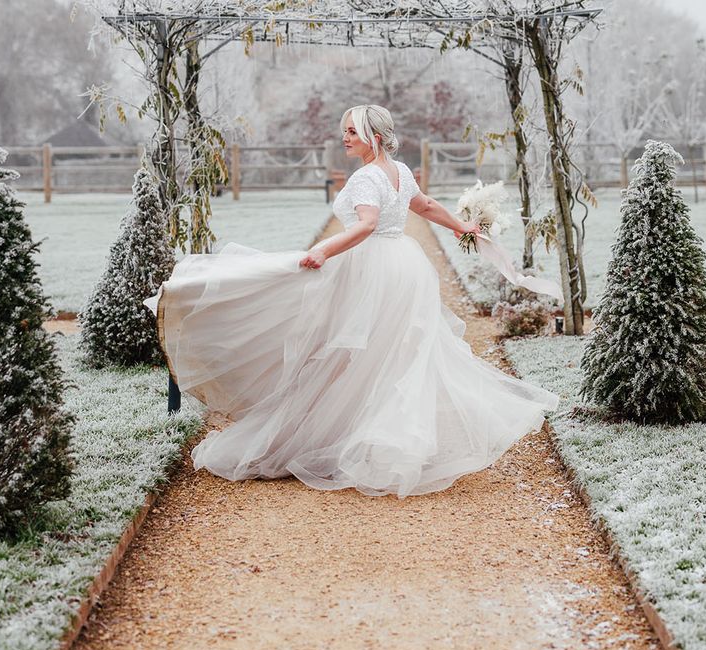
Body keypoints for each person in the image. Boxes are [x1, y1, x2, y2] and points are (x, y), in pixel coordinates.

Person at [145, 104, 560, 499]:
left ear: (374, 137)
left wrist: (325, 250)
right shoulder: (398, 171)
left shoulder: (366, 178)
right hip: (405, 267)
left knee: (347, 352)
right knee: (391, 355)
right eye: (343, 130)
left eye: (351, 131)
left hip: (371, 269)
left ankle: (366, 441)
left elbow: (367, 225)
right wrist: (461, 226)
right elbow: (426, 205)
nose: (344, 137)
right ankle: (388, 442)